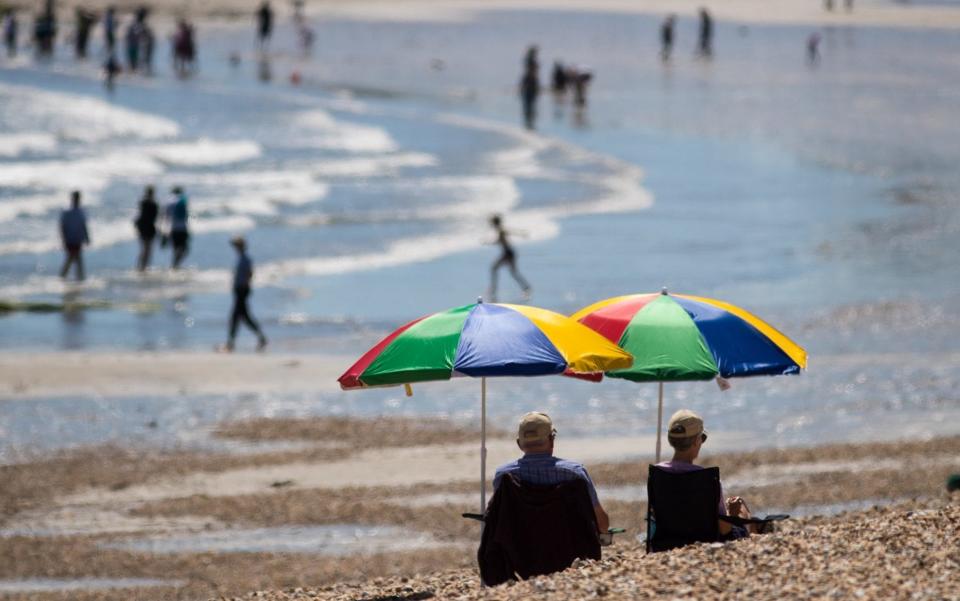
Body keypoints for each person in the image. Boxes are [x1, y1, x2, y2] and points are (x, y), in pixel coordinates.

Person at [494, 412, 609, 533]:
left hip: (519, 548)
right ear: (551, 440)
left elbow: (498, 519)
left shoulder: (504, 476)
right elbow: (602, 524)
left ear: (519, 444)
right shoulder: (575, 473)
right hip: (567, 547)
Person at [656, 409, 757, 539]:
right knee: (743, 511)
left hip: (666, 541)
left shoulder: (658, 473)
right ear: (696, 441)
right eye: (702, 438)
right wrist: (732, 514)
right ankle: (754, 538)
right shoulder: (706, 479)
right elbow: (725, 529)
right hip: (707, 540)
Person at [225, 236, 268, 352]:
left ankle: (231, 343)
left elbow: (249, 274)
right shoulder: (241, 259)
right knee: (241, 317)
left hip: (242, 291)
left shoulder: (245, 259)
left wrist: (244, 286)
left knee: (238, 317)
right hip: (240, 290)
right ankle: (232, 342)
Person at [488, 214, 531, 302]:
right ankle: (526, 287)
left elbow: (510, 232)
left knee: (494, 268)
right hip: (508, 253)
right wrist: (489, 242)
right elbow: (499, 241)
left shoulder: (501, 230)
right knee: (512, 272)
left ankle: (493, 290)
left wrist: (522, 233)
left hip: (508, 253)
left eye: (492, 222)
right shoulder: (499, 230)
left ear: (494, 223)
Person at [59, 191, 90, 281]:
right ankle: (68, 278)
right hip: (70, 239)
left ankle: (76, 278)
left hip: (77, 239)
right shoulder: (67, 212)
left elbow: (83, 226)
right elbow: (62, 227)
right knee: (73, 259)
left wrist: (87, 237)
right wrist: (63, 239)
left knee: (75, 259)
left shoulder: (80, 212)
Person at [134, 185, 158, 271]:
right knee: (147, 249)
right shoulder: (153, 203)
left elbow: (139, 215)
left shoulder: (143, 202)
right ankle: (143, 267)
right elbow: (155, 217)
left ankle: (141, 266)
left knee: (144, 248)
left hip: (142, 227)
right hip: (149, 227)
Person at [165, 186, 190, 269]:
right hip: (183, 228)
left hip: (173, 228)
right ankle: (175, 265)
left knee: (175, 249)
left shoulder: (170, 201)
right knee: (184, 249)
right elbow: (186, 216)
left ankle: (174, 265)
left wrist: (165, 230)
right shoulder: (183, 200)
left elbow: (167, 216)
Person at [519, 64, 539, 130]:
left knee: (531, 108)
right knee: (528, 108)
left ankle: (530, 123)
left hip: (531, 95)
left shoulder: (534, 77)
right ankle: (528, 124)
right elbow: (523, 85)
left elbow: (536, 87)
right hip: (528, 95)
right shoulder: (528, 77)